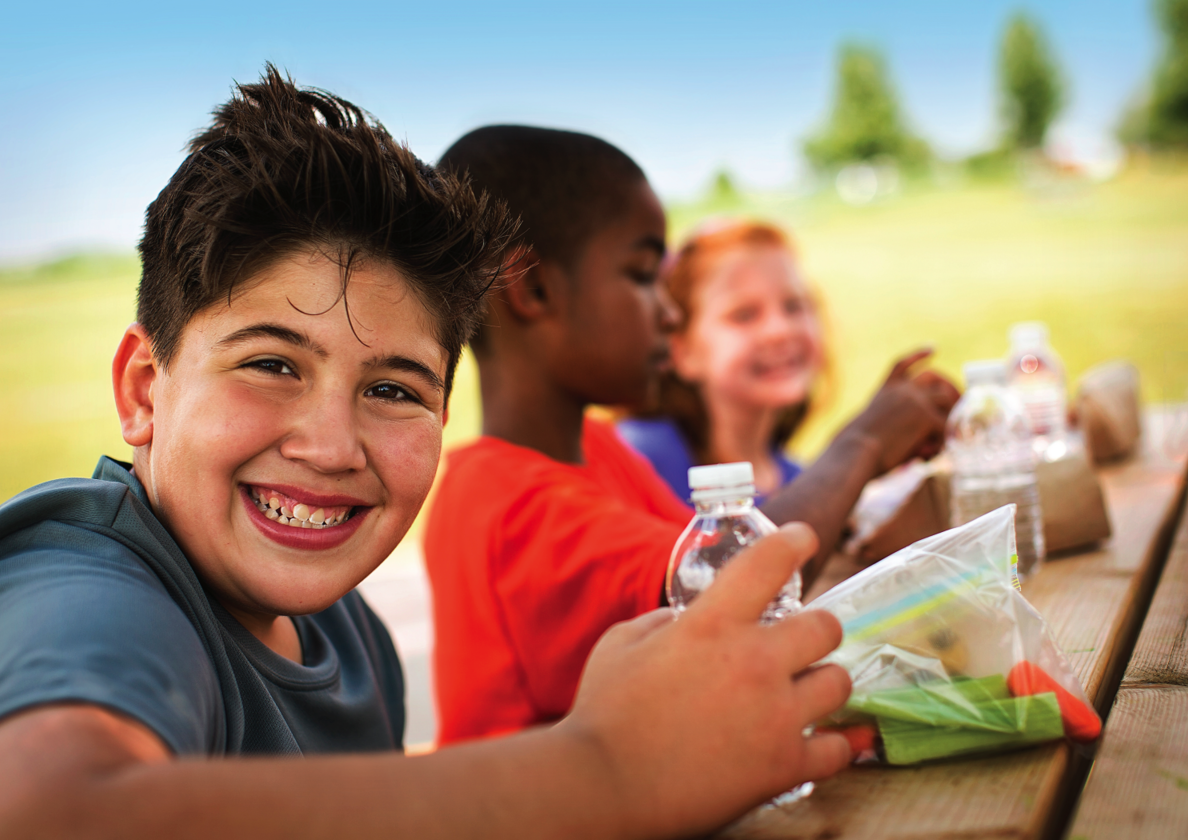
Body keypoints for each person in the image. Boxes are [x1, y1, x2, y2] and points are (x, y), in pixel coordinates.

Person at [0, 68, 855, 839]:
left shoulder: (349, 632)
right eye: (270, 365)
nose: (332, 447)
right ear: (144, 390)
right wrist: (602, 773)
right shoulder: (95, 589)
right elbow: (50, 808)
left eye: (393, 389)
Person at [425, 125, 959, 746]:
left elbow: (725, 540)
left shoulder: (595, 450)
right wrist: (861, 446)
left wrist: (862, 446)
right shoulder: (506, 501)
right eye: (643, 274)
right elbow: (737, 588)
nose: (670, 312)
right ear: (534, 289)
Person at [617, 220, 827, 502]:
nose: (780, 331)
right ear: (682, 351)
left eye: (794, 306)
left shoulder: (802, 479)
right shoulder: (639, 459)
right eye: (744, 314)